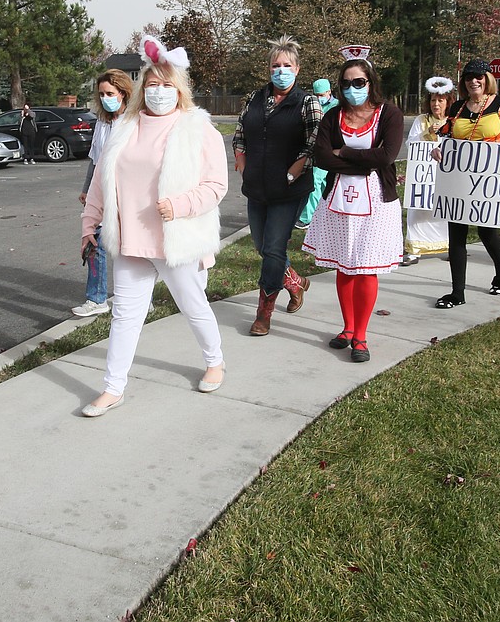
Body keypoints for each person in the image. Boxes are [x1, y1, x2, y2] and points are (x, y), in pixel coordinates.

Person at [79, 36, 228, 417]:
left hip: (175, 239)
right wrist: (89, 223)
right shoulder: (125, 128)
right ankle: (113, 388)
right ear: (142, 88)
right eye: (152, 84)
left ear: (179, 89)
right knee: (125, 316)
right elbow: (101, 180)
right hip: (131, 240)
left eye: (166, 85)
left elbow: (216, 185)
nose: (159, 92)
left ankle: (215, 361)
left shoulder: (199, 129)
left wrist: (179, 205)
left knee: (192, 305)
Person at [302, 51, 404, 362]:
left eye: (358, 82)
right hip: (339, 200)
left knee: (366, 267)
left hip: (377, 202)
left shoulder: (389, 114)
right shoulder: (334, 115)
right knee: (344, 265)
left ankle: (361, 335)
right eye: (346, 83)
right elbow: (321, 156)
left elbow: (386, 156)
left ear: (371, 83)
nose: (352, 88)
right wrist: (361, 161)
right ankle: (347, 327)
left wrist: (344, 152)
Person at [233, 35, 323, 336]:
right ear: (268, 68)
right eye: (275, 65)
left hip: (289, 189)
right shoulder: (255, 98)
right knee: (262, 246)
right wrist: (244, 166)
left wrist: (294, 171)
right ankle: (296, 283)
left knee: (273, 248)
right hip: (257, 187)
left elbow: (314, 142)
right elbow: (240, 134)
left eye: (286, 65)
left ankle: (264, 312)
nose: (280, 70)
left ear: (297, 69)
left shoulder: (307, 101)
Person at [431, 59, 500, 308]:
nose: (474, 81)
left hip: (490, 180)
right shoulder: (458, 108)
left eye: (479, 76)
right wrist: (439, 151)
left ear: (487, 79)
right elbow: (449, 140)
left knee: (487, 232)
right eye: (469, 77)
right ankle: (457, 293)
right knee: (457, 234)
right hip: (459, 179)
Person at [73, 69, 133, 317]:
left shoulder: (133, 122)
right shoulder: (102, 123)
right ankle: (96, 299)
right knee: (95, 243)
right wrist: (87, 190)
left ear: (123, 93)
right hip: (102, 193)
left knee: (129, 247)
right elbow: (95, 160)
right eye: (102, 94)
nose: (106, 97)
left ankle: (139, 297)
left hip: (126, 193)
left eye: (110, 93)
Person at [402, 76, 455, 265]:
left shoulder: (454, 120)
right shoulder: (421, 120)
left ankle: (449, 245)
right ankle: (414, 249)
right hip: (422, 174)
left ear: (448, 101)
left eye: (440, 100)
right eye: (433, 100)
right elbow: (410, 144)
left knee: (444, 209)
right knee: (418, 209)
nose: (436, 104)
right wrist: (428, 134)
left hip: (444, 174)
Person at [295, 78, 338, 229]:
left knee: (315, 182)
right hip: (316, 149)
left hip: (328, 150)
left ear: (329, 92)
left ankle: (307, 218)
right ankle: (319, 215)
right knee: (320, 183)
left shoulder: (336, 107)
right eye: (316, 94)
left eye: (322, 94)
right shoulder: (313, 105)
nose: (319, 97)